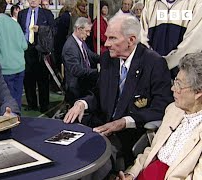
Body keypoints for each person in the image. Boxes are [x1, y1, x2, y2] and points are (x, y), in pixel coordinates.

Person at [63, 14, 173, 168]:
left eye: (113, 38)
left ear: (131, 40)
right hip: (101, 125)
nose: (106, 43)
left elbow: (162, 108)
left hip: (128, 134)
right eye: (107, 37)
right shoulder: (108, 59)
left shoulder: (154, 63)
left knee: (87, 162)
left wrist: (124, 122)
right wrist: (82, 103)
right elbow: (98, 93)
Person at [117, 52, 202, 180]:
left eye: (179, 84)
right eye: (174, 82)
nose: (173, 88)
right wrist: (132, 174)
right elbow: (152, 150)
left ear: (198, 93)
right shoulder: (173, 110)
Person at [140, 0, 202, 79]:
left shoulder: (196, 3)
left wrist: (164, 64)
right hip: (152, 74)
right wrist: (152, 63)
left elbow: (193, 44)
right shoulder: (150, 3)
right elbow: (142, 38)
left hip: (183, 77)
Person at [0, 0, 27, 109]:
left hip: (4, 69)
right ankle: (17, 123)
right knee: (16, 100)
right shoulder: (14, 22)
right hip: (19, 66)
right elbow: (24, 45)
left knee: (6, 103)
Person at [17, 0, 55, 112]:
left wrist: (41, 29)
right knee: (28, 79)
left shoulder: (47, 14)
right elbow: (19, 31)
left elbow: (53, 30)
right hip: (26, 50)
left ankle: (44, 105)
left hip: (41, 51)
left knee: (43, 79)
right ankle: (31, 103)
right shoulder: (22, 14)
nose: (33, 0)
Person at [62, 17, 99, 106]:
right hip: (77, 85)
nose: (89, 34)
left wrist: (105, 58)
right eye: (87, 31)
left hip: (83, 79)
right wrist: (97, 72)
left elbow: (91, 55)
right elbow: (76, 70)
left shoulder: (80, 41)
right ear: (78, 29)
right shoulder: (70, 47)